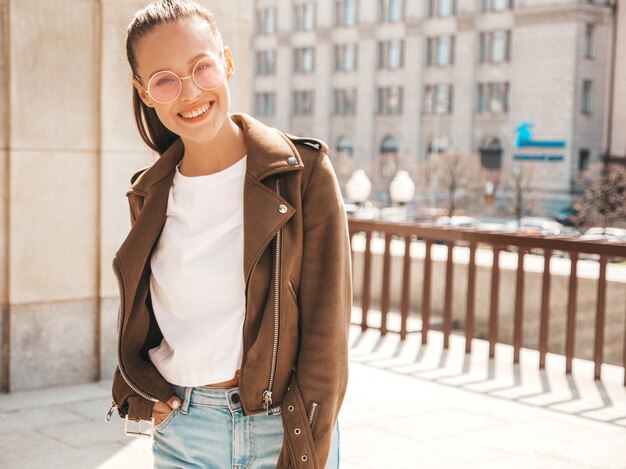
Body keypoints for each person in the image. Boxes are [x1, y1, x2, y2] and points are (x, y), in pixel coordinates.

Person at [104, 1, 352, 468]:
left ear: (228, 64)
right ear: (145, 92)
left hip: (282, 428)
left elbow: (327, 335)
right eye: (164, 80)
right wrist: (137, 394)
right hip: (186, 431)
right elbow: (145, 321)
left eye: (202, 67)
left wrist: (306, 448)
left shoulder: (303, 175)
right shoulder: (149, 194)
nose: (189, 92)